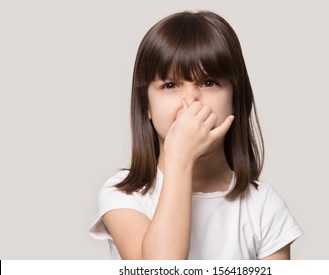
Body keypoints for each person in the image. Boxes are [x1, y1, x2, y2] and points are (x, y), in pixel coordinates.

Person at [89, 10, 303, 260]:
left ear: (235, 98)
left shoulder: (264, 206)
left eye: (209, 82)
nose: (190, 101)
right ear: (146, 105)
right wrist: (179, 160)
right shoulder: (124, 194)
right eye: (170, 85)